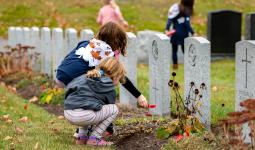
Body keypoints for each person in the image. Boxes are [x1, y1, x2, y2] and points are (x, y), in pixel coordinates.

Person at [56, 22, 148, 142]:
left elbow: (70, 56)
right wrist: (139, 96)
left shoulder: (88, 43)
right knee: (96, 93)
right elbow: (120, 77)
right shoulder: (107, 53)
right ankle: (93, 136)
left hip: (61, 73)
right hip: (75, 77)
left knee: (86, 96)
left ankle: (81, 134)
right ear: (117, 41)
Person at [64, 57, 130, 146]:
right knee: (114, 109)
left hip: (68, 112)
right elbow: (108, 108)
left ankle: (81, 139)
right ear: (115, 75)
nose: (119, 82)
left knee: (86, 106)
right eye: (119, 78)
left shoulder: (86, 76)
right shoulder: (109, 86)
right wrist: (109, 129)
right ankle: (94, 139)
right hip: (83, 116)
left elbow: (69, 91)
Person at [165, 0, 195, 70]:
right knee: (185, 51)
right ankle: (189, 65)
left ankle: (175, 66)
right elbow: (187, 24)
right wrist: (193, 32)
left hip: (175, 33)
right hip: (183, 34)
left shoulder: (176, 9)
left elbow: (170, 20)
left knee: (174, 51)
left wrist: (167, 29)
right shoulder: (186, 11)